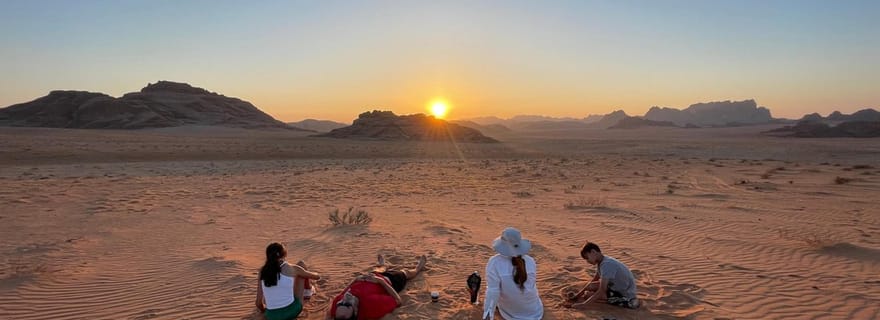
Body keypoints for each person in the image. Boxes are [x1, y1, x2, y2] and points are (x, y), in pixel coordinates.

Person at [327, 254, 427, 320]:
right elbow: (398, 300)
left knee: (379, 269)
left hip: (369, 276)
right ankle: (418, 268)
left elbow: (340, 295)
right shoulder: (371, 305)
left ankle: (383, 265)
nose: (345, 298)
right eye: (348, 304)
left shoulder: (339, 307)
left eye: (341, 303)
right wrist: (381, 281)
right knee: (407, 273)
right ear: (356, 311)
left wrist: (355, 280)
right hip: (390, 280)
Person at [482, 227, 544, 320]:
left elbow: (493, 291)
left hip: (511, 314)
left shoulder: (495, 262)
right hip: (535, 312)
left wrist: (487, 315)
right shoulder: (530, 261)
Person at [255, 242, 322, 320]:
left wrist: (265, 312)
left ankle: (306, 290)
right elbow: (317, 277)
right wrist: (316, 274)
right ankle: (308, 290)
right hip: (292, 312)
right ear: (284, 255)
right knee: (301, 265)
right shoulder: (291, 268)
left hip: (271, 316)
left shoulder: (262, 271)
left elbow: (258, 303)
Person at [569, 241, 639, 309]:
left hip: (625, 294)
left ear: (593, 252)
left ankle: (622, 301)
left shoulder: (607, 264)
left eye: (587, 258)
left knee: (588, 295)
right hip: (615, 287)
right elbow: (595, 279)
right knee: (590, 286)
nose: (587, 261)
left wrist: (583, 305)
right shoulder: (602, 261)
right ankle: (605, 297)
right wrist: (578, 296)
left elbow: (602, 290)